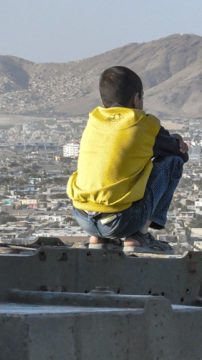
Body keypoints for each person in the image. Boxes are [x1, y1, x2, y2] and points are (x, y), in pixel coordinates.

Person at [66, 66, 188, 253]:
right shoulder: (143, 123)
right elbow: (179, 154)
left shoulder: (93, 121)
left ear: (102, 101)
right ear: (136, 98)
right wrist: (177, 141)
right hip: (123, 221)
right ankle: (138, 237)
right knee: (172, 163)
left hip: (82, 217)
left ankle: (99, 239)